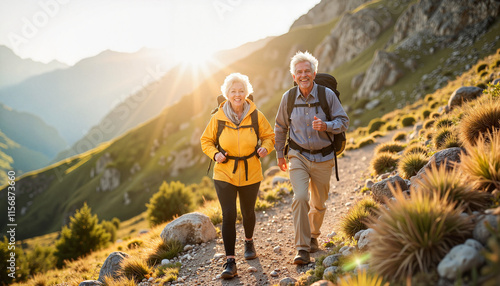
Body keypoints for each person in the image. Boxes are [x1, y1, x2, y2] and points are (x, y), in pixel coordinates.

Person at [274, 51, 349, 265]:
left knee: (319, 203)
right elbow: (280, 127)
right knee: (300, 197)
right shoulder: (288, 98)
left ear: (314, 73)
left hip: (324, 157)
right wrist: (280, 154)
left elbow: (344, 121)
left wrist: (326, 126)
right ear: (294, 76)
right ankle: (302, 247)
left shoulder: (327, 95)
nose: (303, 75)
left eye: (307, 71)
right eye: (299, 72)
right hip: (298, 156)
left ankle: (314, 235)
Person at [201, 73, 275, 279]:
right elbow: (205, 140)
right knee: (229, 215)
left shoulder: (255, 115)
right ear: (227, 94)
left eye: (241, 91)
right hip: (225, 172)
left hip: (251, 170)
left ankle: (249, 241)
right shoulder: (218, 117)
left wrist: (265, 149)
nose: (237, 94)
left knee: (248, 211)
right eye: (233, 91)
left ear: (247, 92)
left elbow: (269, 136)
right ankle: (230, 261)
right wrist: (215, 154)